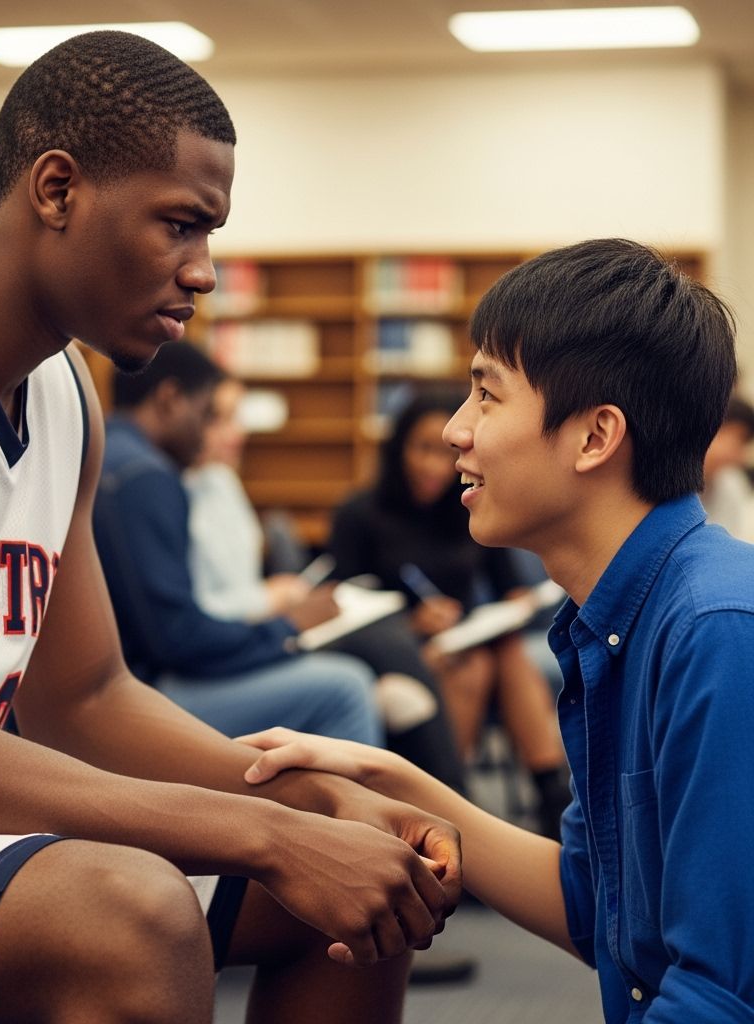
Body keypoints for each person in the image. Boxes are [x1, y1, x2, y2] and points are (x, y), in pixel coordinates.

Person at [0, 31, 461, 1024]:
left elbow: (87, 696)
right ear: (58, 188)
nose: (202, 272)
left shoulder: (67, 390)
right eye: (179, 226)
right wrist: (260, 835)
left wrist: (313, 808)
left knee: (361, 876)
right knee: (132, 913)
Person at [238, 238, 754, 1023]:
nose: (454, 431)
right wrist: (389, 781)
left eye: (486, 395)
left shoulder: (716, 629)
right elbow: (597, 908)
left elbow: (718, 996)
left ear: (594, 437)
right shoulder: (618, 616)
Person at [186, 372, 468, 795]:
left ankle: (436, 811)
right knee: (384, 642)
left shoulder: (223, 483)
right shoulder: (172, 491)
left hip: (263, 629)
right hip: (248, 639)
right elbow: (195, 611)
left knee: (411, 679)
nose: (237, 432)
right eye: (221, 418)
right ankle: (453, 803)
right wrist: (271, 598)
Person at [94, 340, 385, 746]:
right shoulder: (145, 477)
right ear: (171, 399)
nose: (207, 430)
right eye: (207, 413)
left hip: (121, 680)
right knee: (347, 688)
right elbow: (177, 639)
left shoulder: (107, 451)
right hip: (143, 692)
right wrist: (286, 629)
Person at [329, 388, 570, 836]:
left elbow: (507, 587)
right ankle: (471, 804)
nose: (434, 467)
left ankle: (485, 809)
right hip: (394, 650)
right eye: (421, 449)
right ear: (398, 446)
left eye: (444, 454)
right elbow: (342, 605)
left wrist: (515, 605)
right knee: (481, 663)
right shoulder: (360, 513)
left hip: (463, 642)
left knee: (497, 651)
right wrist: (410, 623)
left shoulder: (466, 506)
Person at [701, 393, 754, 541]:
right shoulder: (670, 477)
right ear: (716, 429)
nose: (741, 456)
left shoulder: (731, 483)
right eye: (740, 440)